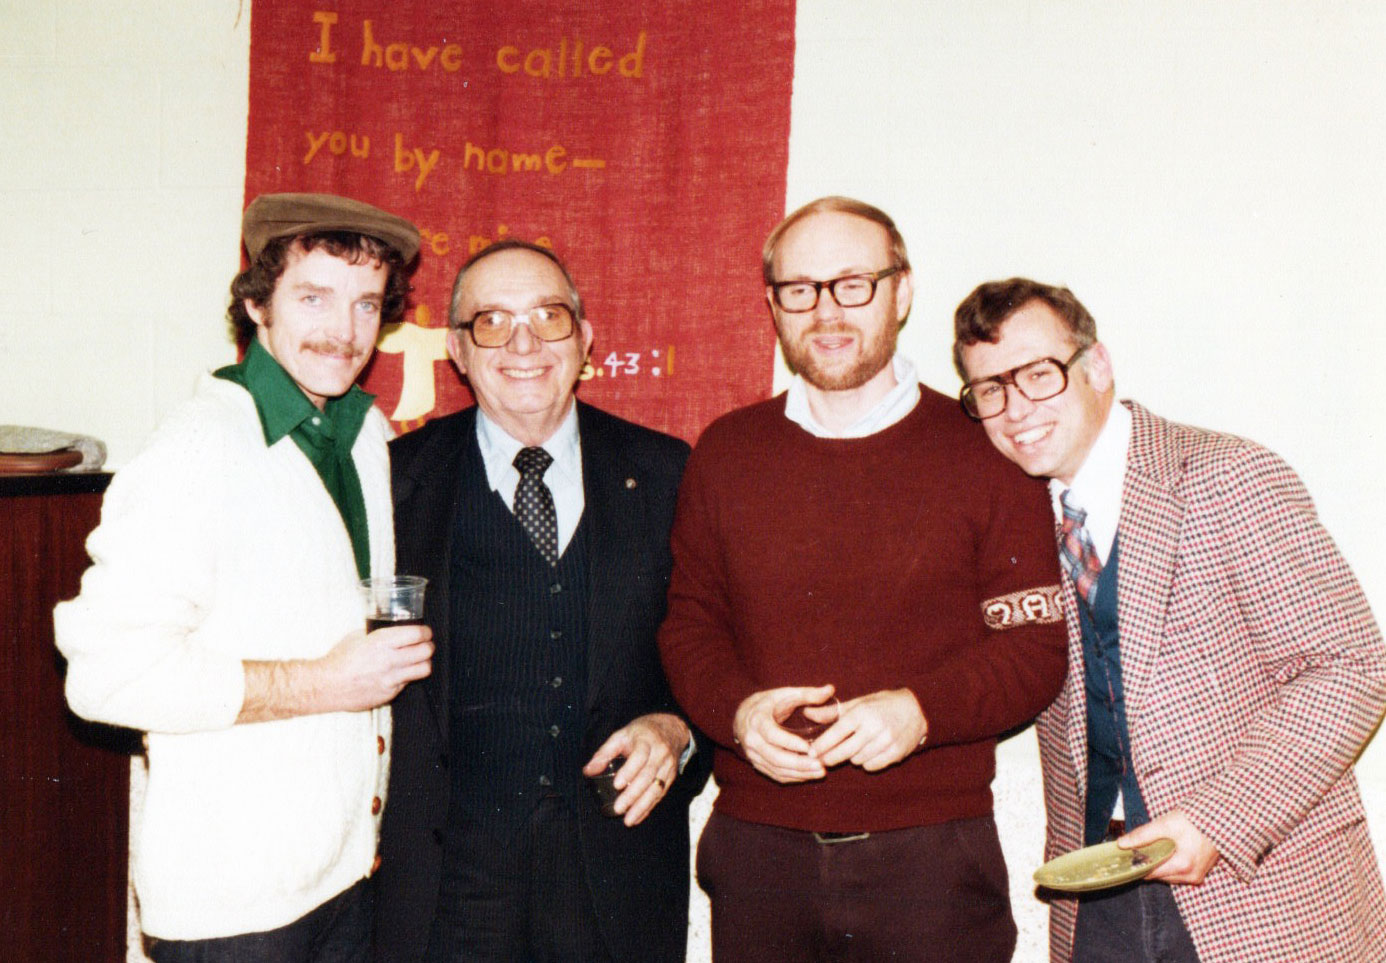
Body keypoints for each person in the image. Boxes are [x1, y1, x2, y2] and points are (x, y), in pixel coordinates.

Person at [655, 196, 1068, 963]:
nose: (826, 311)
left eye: (853, 284)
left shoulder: (987, 448)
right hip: (759, 853)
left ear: (902, 292)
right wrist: (738, 714)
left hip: (932, 861)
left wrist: (920, 711)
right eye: (800, 290)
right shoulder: (726, 450)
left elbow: (1035, 649)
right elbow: (690, 625)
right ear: (773, 306)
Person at [953, 276, 1386, 963]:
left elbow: (1352, 665)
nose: (1015, 409)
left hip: (1264, 889)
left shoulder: (1225, 474)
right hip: (1096, 899)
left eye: (1038, 374)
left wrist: (1220, 819)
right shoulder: (1012, 518)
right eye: (989, 388)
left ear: (1097, 365)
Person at [54, 193, 433, 962]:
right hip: (235, 914)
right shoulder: (197, 449)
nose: (344, 330)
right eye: (313, 297)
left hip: (345, 879)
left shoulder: (363, 434)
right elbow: (106, 681)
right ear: (258, 303)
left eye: (366, 303)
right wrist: (322, 682)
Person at [374, 239, 711, 963]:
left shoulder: (666, 473)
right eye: (491, 321)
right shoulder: (392, 484)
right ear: (458, 352)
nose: (523, 343)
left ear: (585, 339)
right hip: (445, 893)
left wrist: (678, 727)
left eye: (549, 317)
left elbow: (718, 656)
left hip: (617, 886)